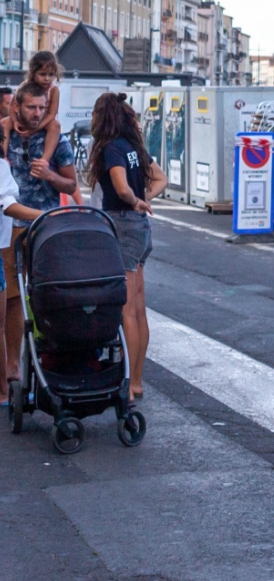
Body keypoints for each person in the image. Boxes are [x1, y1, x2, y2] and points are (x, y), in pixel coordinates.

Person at [87, 93, 168, 403]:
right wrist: (144, 198)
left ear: (103, 117)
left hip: (121, 226)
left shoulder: (111, 148)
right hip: (139, 229)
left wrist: (134, 200)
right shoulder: (133, 147)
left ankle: (130, 385)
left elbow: (120, 188)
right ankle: (137, 381)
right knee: (139, 308)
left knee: (126, 311)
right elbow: (161, 178)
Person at [1, 81, 77, 383]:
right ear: (17, 106)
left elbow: (71, 185)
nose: (37, 113)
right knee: (11, 298)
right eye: (31, 107)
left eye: (42, 108)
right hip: (9, 228)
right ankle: (12, 364)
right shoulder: (5, 132)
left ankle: (53, 356)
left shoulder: (56, 139)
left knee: (48, 292)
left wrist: (50, 176)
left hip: (46, 228)